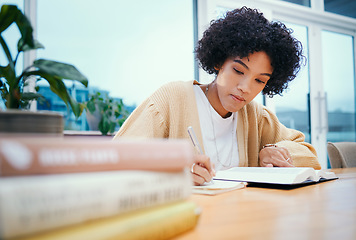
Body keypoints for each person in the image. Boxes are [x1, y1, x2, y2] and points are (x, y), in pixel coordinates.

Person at [114, 6, 321, 185]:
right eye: (238, 71)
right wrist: (174, 174)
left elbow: (310, 155)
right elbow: (117, 160)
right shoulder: (171, 99)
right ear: (218, 62)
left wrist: (277, 151)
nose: (245, 88)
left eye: (260, 80)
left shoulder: (255, 116)